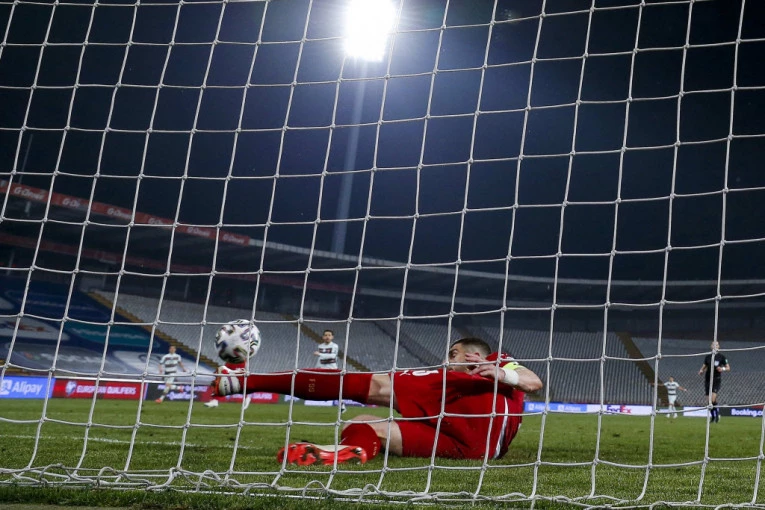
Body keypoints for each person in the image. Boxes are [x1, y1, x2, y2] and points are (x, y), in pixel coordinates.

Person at [214, 337, 543, 465]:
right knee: (362, 424)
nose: (447, 360)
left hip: (474, 421)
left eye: (452, 354)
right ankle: (345, 452)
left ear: (470, 353)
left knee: (371, 384)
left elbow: (533, 381)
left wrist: (499, 371)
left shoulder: (496, 360)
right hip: (470, 448)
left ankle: (243, 381)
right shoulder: (478, 376)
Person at [312, 329, 346, 413]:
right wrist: (316, 368)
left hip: (332, 369)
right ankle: (325, 398)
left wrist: (320, 354)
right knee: (321, 385)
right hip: (322, 369)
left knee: (336, 387)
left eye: (329, 335)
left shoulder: (334, 346)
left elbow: (332, 356)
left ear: (332, 337)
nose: (327, 337)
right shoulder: (320, 346)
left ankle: (342, 405)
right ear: (323, 337)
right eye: (326, 335)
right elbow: (320, 359)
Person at [698, 341, 730, 423]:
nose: (715, 346)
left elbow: (728, 368)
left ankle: (717, 415)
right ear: (711, 346)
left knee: (712, 400)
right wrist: (701, 370)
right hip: (708, 379)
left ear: (719, 346)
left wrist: (722, 369)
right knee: (709, 402)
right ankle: (713, 416)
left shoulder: (721, 357)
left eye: (717, 345)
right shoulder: (708, 357)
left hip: (716, 380)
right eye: (713, 344)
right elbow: (704, 366)